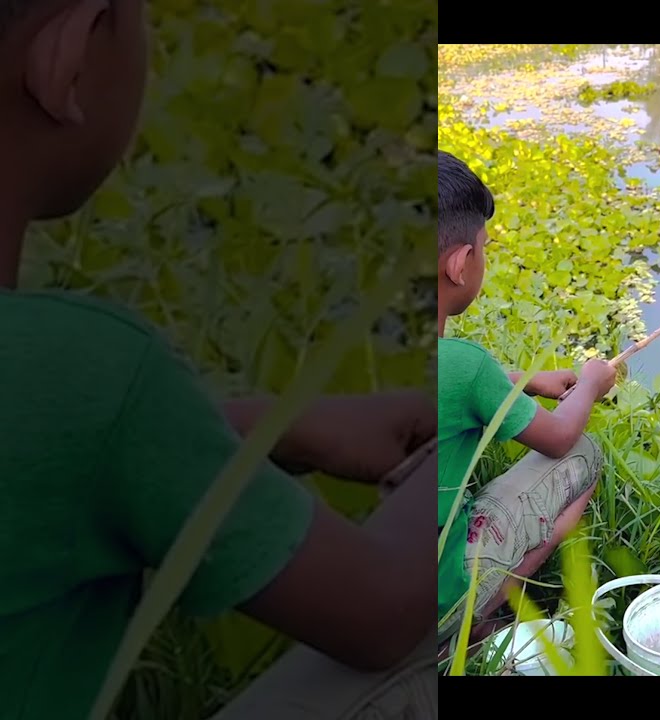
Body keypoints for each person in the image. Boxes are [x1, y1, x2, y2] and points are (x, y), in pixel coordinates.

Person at [0, 2, 437, 718]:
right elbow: (384, 609)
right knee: (449, 603)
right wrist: (467, 439)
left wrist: (264, 429)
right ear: (69, 58)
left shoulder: (67, 389)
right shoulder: (93, 370)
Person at [436, 150, 616, 646]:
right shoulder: (464, 365)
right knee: (585, 454)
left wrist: (526, 379)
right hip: (431, 604)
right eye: (484, 248)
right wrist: (593, 382)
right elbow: (559, 438)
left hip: (352, 601)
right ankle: (476, 619)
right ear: (460, 264)